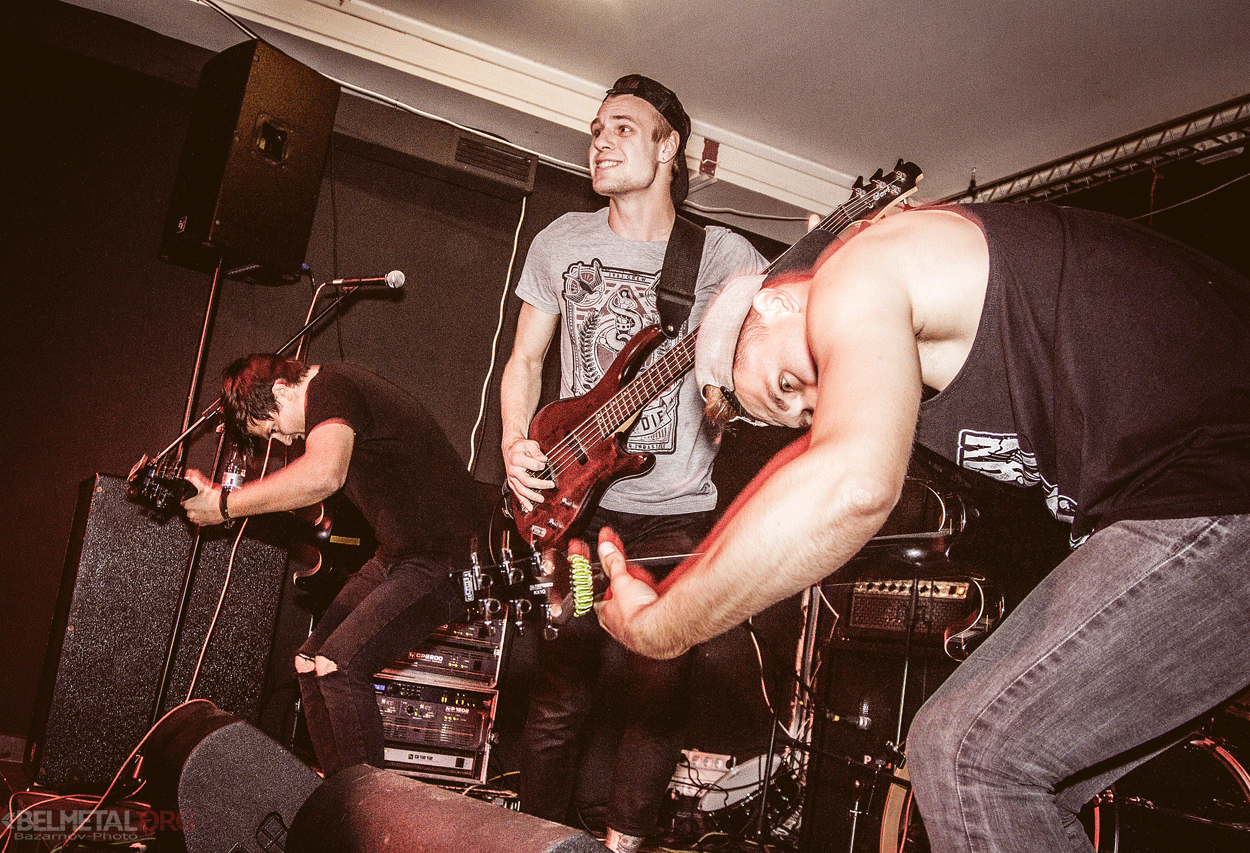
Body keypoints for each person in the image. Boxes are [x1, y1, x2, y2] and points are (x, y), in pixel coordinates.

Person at [593, 201, 1250, 852]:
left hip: (1219, 486)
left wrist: (661, 628)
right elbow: (815, 474)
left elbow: (850, 485)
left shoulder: (858, 269)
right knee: (1008, 777)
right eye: (797, 413)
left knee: (966, 754)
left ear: (776, 301)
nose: (813, 403)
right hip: (1193, 501)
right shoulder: (915, 364)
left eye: (788, 382)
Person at [500, 74, 766, 851]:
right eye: (596, 129)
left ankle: (623, 845)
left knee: (658, 686)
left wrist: (731, 392)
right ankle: (537, 842)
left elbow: (764, 353)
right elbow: (526, 359)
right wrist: (515, 441)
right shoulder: (561, 240)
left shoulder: (723, 255)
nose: (602, 140)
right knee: (561, 689)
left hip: (671, 520)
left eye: (623, 127)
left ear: (668, 145)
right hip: (577, 514)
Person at [182, 355, 480, 777]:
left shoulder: (332, 386)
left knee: (339, 666)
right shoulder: (330, 398)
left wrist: (227, 505)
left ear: (282, 390)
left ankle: (368, 810)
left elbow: (324, 474)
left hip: (446, 555)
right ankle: (338, 797)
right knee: (309, 663)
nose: (284, 441)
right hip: (400, 555)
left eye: (273, 428)